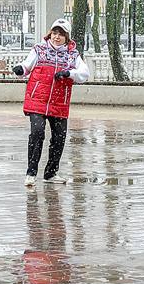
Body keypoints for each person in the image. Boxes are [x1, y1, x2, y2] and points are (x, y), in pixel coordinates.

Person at [13, 19, 90, 186]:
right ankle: (31, 172)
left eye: (61, 34)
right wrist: (20, 70)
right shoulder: (39, 50)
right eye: (55, 33)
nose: (57, 37)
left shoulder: (72, 55)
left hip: (59, 102)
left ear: (67, 37)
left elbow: (84, 73)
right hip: (37, 100)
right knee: (37, 133)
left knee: (59, 138)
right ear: (50, 34)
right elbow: (27, 66)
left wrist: (68, 73)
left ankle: (51, 173)